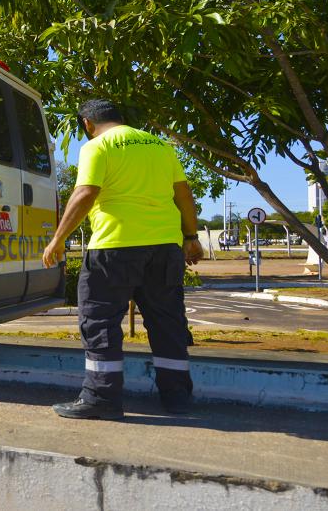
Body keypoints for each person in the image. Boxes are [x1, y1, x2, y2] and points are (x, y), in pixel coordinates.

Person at [42, 99, 204, 420]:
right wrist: (191, 236)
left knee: (99, 320)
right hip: (165, 247)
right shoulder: (160, 146)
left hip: (114, 248)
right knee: (167, 322)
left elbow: (85, 192)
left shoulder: (96, 146)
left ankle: (101, 397)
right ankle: (177, 398)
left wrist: (58, 240)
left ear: (87, 124)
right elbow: (183, 193)